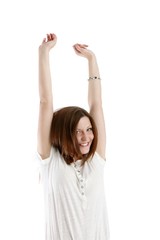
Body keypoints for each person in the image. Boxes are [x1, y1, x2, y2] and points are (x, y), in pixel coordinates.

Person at [37, 33, 110, 240]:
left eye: (88, 129)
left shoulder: (96, 161)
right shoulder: (51, 161)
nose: (86, 137)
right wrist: (43, 53)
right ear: (64, 133)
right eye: (77, 131)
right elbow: (45, 102)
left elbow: (96, 104)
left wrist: (91, 59)